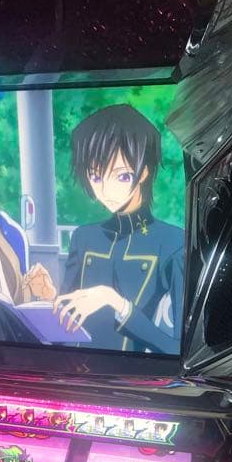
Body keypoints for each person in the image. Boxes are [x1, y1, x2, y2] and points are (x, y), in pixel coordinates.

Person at [25, 104, 184, 353]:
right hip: (73, 368)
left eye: (121, 176)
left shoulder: (172, 242)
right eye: (96, 177)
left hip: (132, 373)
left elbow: (177, 349)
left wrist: (115, 302)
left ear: (143, 172)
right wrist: (50, 298)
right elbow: (68, 326)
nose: (106, 190)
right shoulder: (84, 237)